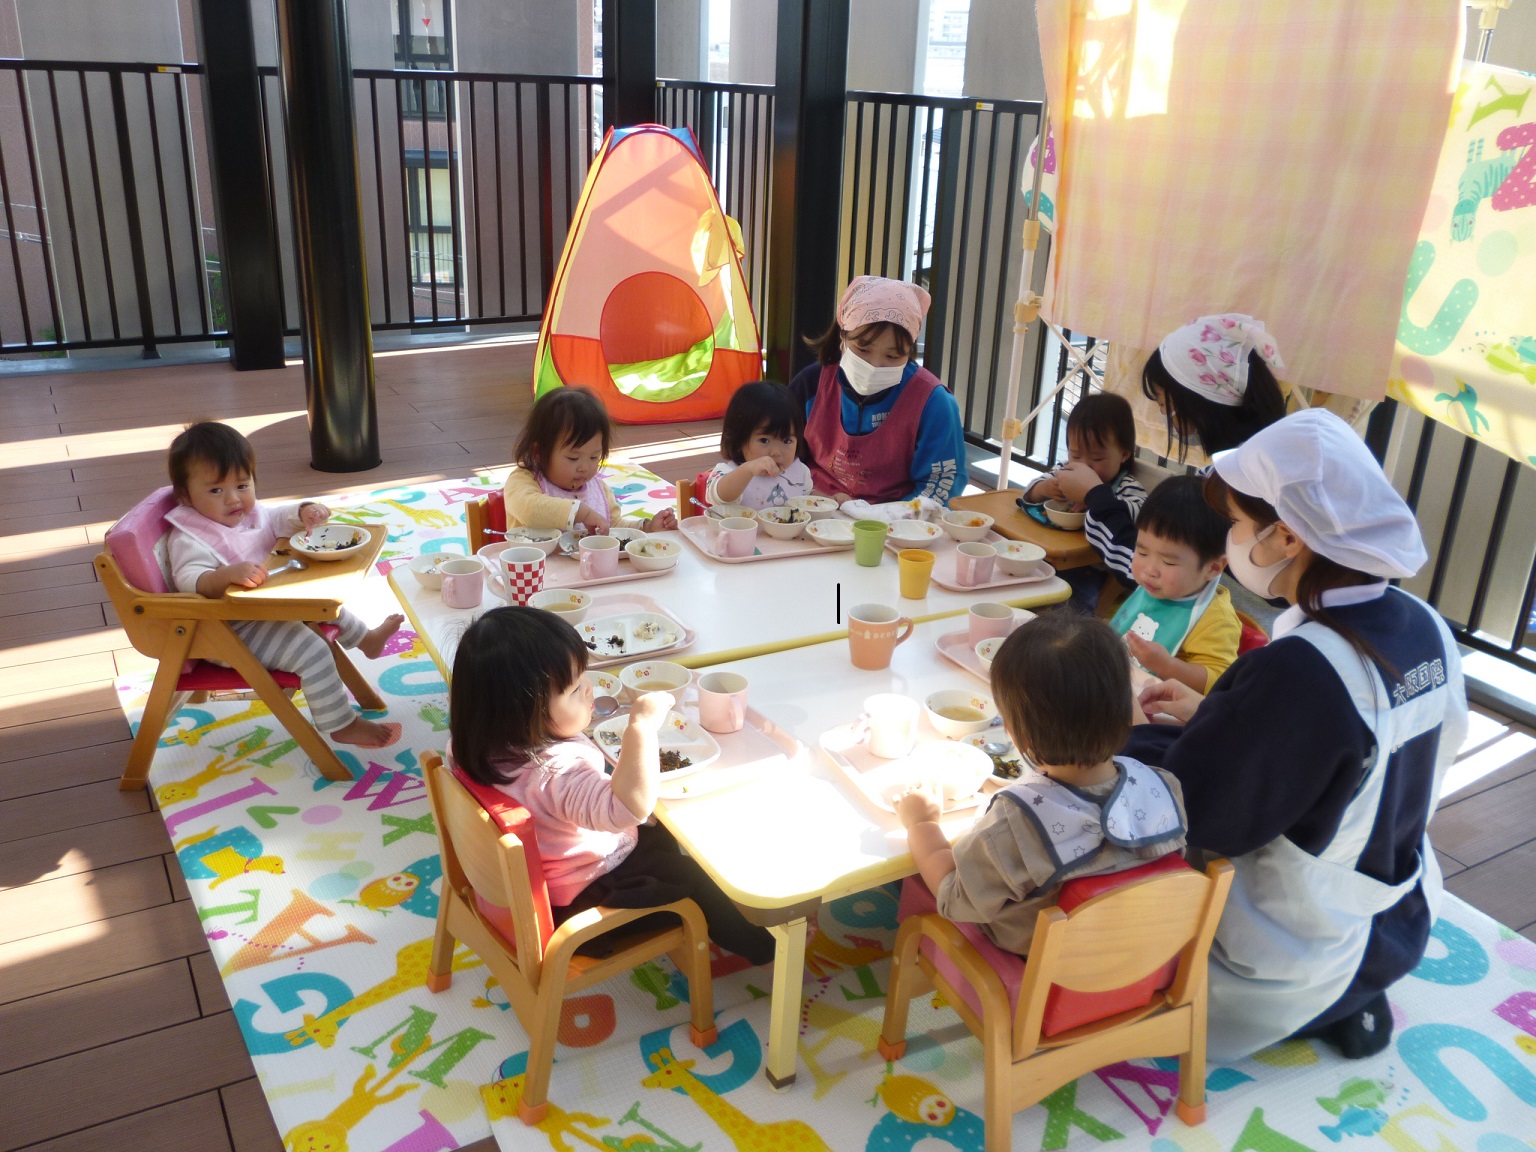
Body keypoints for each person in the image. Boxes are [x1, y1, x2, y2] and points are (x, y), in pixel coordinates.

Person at [1126, 409, 1468, 1062]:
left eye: (1236, 523)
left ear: (1285, 536)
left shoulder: (1302, 671)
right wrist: (1219, 715)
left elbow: (1203, 811)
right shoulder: (1423, 624)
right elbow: (1352, 757)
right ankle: (1349, 998)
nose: (1230, 541)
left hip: (1287, 952)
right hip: (1395, 918)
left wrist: (1129, 736)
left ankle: (1315, 1010)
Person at [448, 606, 775, 964]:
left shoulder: (469, 746)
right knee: (690, 873)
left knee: (662, 830)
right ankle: (766, 946)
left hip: (541, 878)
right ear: (524, 713)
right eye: (575, 689)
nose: (589, 688)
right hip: (585, 899)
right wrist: (641, 727)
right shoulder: (559, 772)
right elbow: (628, 809)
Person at [896, 612, 1188, 957]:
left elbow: (954, 898)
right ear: (1129, 714)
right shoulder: (1164, 786)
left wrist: (922, 824)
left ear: (1013, 733)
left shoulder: (1013, 825)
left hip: (1046, 968)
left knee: (917, 879)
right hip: (1144, 961)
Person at [164, 421, 403, 748]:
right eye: (216, 490)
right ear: (185, 496)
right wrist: (226, 575)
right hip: (231, 630)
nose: (233, 499)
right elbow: (190, 581)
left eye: (242, 485)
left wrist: (303, 513)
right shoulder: (191, 538)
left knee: (323, 604)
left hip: (266, 609)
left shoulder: (241, 514)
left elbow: (274, 518)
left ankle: (367, 639)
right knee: (313, 649)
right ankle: (341, 724)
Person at [788, 276, 967, 506]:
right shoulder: (812, 384)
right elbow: (777, 449)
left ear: (909, 352)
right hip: (815, 504)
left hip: (896, 517)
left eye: (892, 356)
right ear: (843, 335)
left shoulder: (933, 403)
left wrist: (885, 517)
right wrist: (811, 496)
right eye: (863, 350)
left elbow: (942, 484)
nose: (875, 365)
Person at [1112, 475, 1241, 695]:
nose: (1149, 570)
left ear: (1213, 568)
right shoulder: (1156, 588)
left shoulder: (1215, 618)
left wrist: (1166, 666)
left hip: (1161, 707)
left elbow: (1219, 681)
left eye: (1168, 562)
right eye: (1142, 552)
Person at [1020, 392, 1146, 609]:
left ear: (1124, 454)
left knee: (1080, 603)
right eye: (1076, 456)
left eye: (1097, 458)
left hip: (1094, 569)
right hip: (1051, 556)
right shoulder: (1065, 471)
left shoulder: (1126, 486)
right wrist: (1045, 488)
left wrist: (1097, 498)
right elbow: (1029, 493)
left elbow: (1140, 511)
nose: (1085, 466)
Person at [504, 387, 678, 535]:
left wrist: (647, 528)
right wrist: (580, 512)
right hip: (536, 565)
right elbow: (530, 510)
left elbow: (613, 526)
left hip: (590, 565)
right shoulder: (524, 480)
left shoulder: (599, 490)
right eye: (573, 458)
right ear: (539, 453)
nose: (585, 467)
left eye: (594, 457)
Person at [1142, 313, 1288, 461]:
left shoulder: (1244, 468)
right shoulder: (1261, 455)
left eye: (1162, 404)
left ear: (1199, 402)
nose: (1163, 413)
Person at [706, 380, 814, 509]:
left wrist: (827, 500)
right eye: (764, 440)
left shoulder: (800, 472)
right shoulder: (729, 473)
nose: (776, 452)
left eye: (787, 441)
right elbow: (722, 496)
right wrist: (748, 469)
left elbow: (807, 499)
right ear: (739, 440)